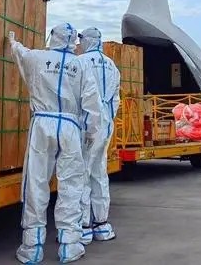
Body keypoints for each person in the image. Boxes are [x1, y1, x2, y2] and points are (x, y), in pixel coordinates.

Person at [9, 22, 102, 264]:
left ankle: (32, 246)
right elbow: (93, 103)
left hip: (42, 123)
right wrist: (91, 133)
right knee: (71, 184)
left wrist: (12, 41)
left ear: (53, 37)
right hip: (70, 127)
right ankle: (69, 245)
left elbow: (20, 53)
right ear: (73, 42)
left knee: (36, 182)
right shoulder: (81, 65)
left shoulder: (38, 58)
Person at [76, 27, 121, 244]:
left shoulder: (80, 62)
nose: (80, 43)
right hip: (105, 123)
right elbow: (115, 99)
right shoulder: (112, 65)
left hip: (86, 122)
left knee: (82, 173)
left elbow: (76, 95)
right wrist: (107, 119)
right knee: (99, 172)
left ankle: (83, 226)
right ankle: (101, 224)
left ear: (88, 40)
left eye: (82, 39)